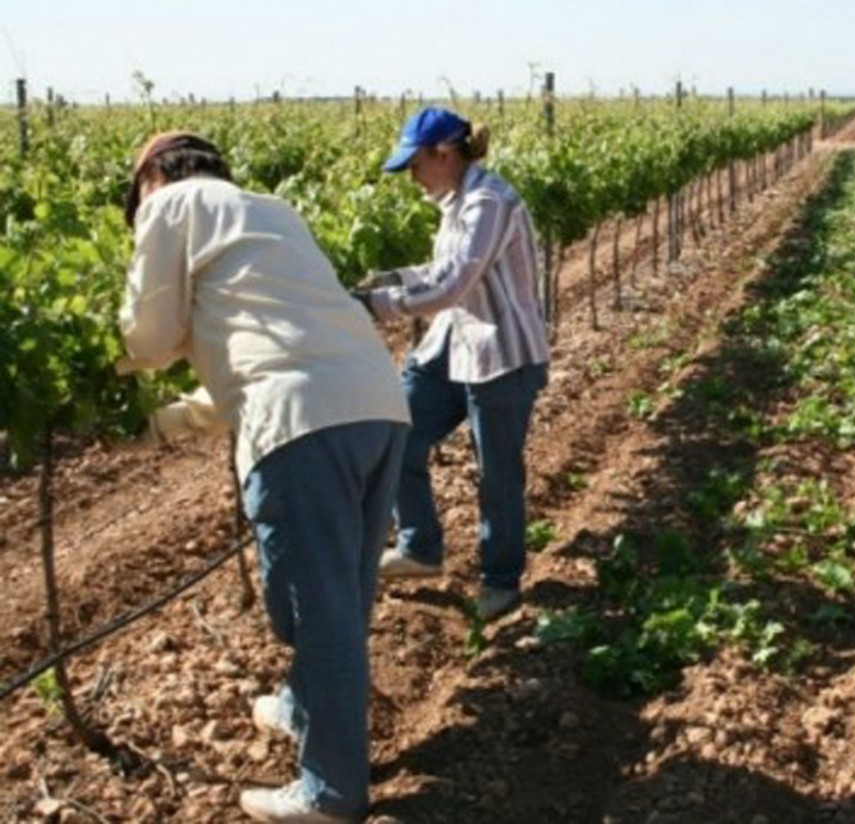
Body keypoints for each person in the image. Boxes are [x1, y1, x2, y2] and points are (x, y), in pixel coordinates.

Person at [118, 132, 410, 822]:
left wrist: (108, 376)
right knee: (344, 595)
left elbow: (149, 341)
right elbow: (264, 344)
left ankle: (330, 792)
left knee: (315, 613)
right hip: (375, 405)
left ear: (154, 176)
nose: (138, 215)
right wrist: (174, 420)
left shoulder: (170, 207)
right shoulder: (269, 210)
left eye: (135, 200)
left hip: (303, 424)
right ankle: (304, 706)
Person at [349, 107, 550, 621]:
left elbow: (453, 285)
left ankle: (501, 582)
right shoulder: (456, 202)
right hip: (452, 345)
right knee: (395, 433)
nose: (412, 178)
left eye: (415, 165)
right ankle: (420, 547)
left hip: (501, 354)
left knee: (497, 473)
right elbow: (440, 269)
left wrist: (376, 307)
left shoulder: (488, 203)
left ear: (445, 153)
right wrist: (388, 278)